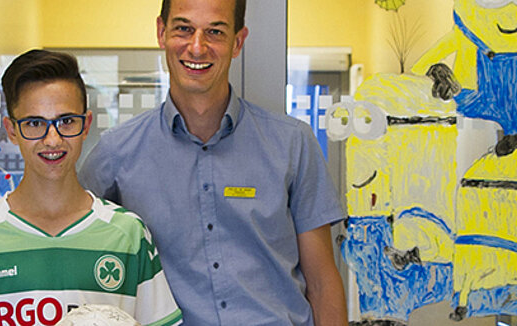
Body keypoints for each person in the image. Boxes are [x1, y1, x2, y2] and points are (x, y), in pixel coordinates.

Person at [80, 0, 348, 324]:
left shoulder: (293, 143)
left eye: (215, 32)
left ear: (237, 42)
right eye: (183, 29)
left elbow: (322, 283)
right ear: (161, 32)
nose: (197, 47)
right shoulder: (115, 154)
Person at [0, 49, 182, 326]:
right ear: (11, 129)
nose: (52, 140)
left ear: (86, 123)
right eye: (34, 123)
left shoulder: (129, 236)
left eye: (66, 121)